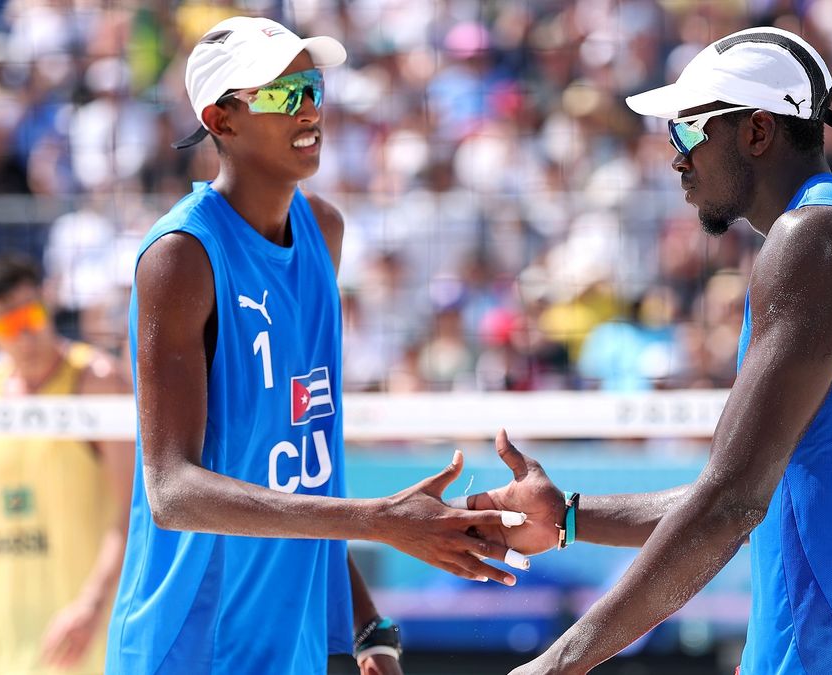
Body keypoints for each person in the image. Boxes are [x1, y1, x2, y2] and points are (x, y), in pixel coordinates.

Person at [464, 27, 832, 675]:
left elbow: (731, 502)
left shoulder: (813, 241)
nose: (676, 158)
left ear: (758, 132)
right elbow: (746, 493)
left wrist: (560, 660)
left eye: (688, 132)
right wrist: (567, 516)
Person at [104, 17, 525, 675]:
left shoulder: (323, 230)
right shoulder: (180, 255)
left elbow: (302, 465)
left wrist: (367, 625)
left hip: (287, 642)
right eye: (280, 93)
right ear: (222, 119)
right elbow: (172, 490)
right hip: (190, 643)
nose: (307, 108)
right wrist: (377, 519)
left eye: (312, 86)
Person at [0, 254, 135, 675]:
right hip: (4, 643)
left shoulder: (96, 382)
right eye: (8, 323)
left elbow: (132, 512)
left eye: (31, 311)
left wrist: (91, 603)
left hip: (82, 636)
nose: (27, 330)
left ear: (47, 301)